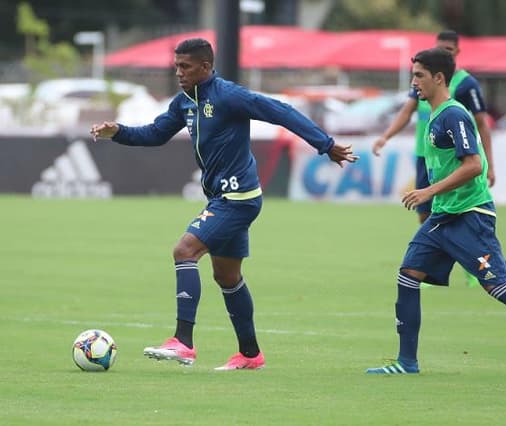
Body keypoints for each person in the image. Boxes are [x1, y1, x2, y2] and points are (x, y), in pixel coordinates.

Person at [90, 38, 358, 370]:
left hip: (238, 197)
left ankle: (183, 342)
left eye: (185, 66)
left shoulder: (230, 96)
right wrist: (118, 131)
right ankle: (250, 354)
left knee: (184, 251)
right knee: (227, 277)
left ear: (205, 67)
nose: (178, 72)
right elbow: (156, 133)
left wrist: (325, 144)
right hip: (223, 197)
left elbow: (281, 112)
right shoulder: (184, 102)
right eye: (176, 66)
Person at [366, 48, 506, 378]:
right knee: (408, 275)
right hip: (443, 217)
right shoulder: (435, 116)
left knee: (496, 286)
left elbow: (474, 165)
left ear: (439, 78)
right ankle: (407, 362)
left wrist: (428, 190)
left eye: (419, 75)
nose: (414, 82)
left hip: (470, 215)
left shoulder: (454, 114)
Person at [373, 30, 493, 288]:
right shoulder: (422, 79)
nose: (444, 52)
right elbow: (407, 110)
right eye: (441, 48)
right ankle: (426, 266)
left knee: (455, 213)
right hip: (426, 156)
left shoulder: (463, 85)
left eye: (449, 49)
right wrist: (386, 137)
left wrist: (489, 164)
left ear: (456, 53)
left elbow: (481, 124)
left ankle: (475, 265)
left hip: (454, 159)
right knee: (424, 213)